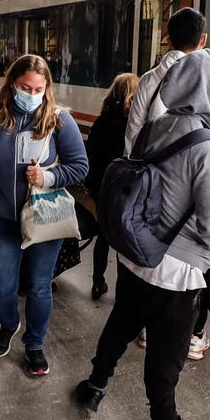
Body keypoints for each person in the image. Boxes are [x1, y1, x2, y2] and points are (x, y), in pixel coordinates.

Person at [74, 51, 210, 420]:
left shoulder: (155, 125)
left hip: (137, 253)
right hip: (177, 272)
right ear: (206, 90)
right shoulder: (208, 146)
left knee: (120, 322)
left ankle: (95, 386)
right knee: (167, 356)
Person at [124, 7, 210, 356]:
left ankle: (149, 327)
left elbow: (134, 135)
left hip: (153, 189)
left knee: (157, 255)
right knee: (195, 259)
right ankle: (192, 334)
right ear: (203, 40)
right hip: (202, 189)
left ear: (168, 37)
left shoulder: (150, 78)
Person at [0, 54, 89, 376]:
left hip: (43, 219)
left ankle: (35, 344)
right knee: (5, 286)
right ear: (13, 83)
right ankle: (9, 325)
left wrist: (49, 177)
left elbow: (81, 165)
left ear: (47, 88)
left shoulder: (58, 120)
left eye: (39, 88)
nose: (32, 94)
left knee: (39, 286)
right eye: (26, 87)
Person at [84, 72, 138, 300]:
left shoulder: (101, 121)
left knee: (103, 235)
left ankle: (98, 282)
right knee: (124, 238)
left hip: (101, 188)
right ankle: (125, 292)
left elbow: (90, 156)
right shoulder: (134, 125)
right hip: (125, 190)